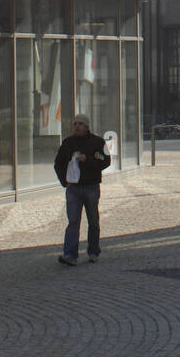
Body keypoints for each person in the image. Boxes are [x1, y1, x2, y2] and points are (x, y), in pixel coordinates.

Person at [54, 113, 111, 265]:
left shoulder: (98, 142)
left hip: (91, 187)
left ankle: (93, 251)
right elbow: (58, 163)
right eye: (75, 124)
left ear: (87, 127)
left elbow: (106, 161)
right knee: (73, 221)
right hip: (73, 188)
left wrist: (88, 160)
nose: (77, 126)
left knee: (93, 221)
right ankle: (70, 255)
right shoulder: (67, 143)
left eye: (80, 124)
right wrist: (64, 182)